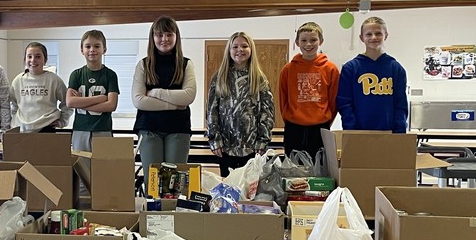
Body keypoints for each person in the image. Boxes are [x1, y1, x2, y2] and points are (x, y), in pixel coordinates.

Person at [132, 15, 197, 186]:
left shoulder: (186, 64)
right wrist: (176, 105)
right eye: (159, 35)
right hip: (149, 129)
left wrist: (155, 92)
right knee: (153, 181)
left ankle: (174, 213)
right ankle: (152, 213)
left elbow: (188, 96)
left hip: (178, 129)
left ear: (176, 37)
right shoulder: (143, 65)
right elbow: (139, 100)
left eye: (169, 34)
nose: (164, 39)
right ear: (152, 37)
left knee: (175, 183)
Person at [206, 31, 275, 178]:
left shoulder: (259, 78)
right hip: (225, 146)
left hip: (252, 147)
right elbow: (212, 110)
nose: (240, 50)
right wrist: (214, 139)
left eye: (244, 46)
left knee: (249, 190)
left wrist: (263, 140)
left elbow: (267, 111)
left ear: (251, 49)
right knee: (229, 187)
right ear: (229, 50)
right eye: (235, 46)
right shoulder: (219, 77)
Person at [336, 16, 408, 133]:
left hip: (388, 133)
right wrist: (350, 129)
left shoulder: (396, 68)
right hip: (358, 133)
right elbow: (345, 103)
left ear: (386, 35)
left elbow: (400, 104)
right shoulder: (350, 68)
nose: (374, 37)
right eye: (369, 34)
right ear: (361, 37)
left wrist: (399, 131)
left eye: (378, 33)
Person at [278, 21, 339, 156]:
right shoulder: (288, 70)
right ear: (297, 42)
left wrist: (326, 119)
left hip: (320, 128)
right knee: (293, 171)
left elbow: (333, 101)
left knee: (319, 171)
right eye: (304, 40)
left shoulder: (331, 69)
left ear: (321, 41)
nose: (308, 44)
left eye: (313, 40)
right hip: (294, 128)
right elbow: (283, 99)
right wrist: (292, 117)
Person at [67, 30, 119, 152]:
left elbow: (111, 105)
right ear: (82, 50)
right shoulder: (76, 75)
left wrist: (81, 103)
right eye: (88, 46)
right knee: (81, 168)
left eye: (97, 46)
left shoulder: (110, 75)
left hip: (103, 129)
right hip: (81, 129)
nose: (92, 50)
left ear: (104, 50)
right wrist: (100, 99)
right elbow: (70, 102)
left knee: (102, 168)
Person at [10, 42, 72, 132]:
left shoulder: (54, 80)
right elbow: (13, 105)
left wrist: (62, 121)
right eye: (29, 56)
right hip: (22, 129)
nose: (33, 60)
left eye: (38, 57)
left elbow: (67, 103)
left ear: (45, 59)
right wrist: (15, 121)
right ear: (24, 59)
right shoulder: (18, 80)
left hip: (46, 127)